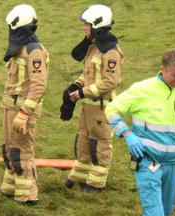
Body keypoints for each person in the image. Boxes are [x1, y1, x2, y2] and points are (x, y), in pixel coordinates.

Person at [106, 48, 175, 216]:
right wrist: (127, 134)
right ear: (163, 70)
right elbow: (112, 110)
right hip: (147, 163)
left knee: (164, 211)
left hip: (173, 165)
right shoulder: (142, 89)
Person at [62, 5, 123, 192]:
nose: (84, 28)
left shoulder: (111, 52)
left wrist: (83, 92)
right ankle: (81, 174)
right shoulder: (94, 47)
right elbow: (88, 74)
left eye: (87, 25)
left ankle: (97, 181)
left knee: (99, 143)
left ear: (97, 25)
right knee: (83, 140)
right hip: (88, 106)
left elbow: (110, 81)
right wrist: (77, 85)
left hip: (101, 107)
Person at [0, 4, 48, 205]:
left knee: (22, 150)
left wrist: (25, 112)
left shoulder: (33, 51)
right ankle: (11, 187)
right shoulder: (20, 49)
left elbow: (39, 84)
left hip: (21, 109)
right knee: (8, 148)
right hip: (10, 107)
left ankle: (27, 195)